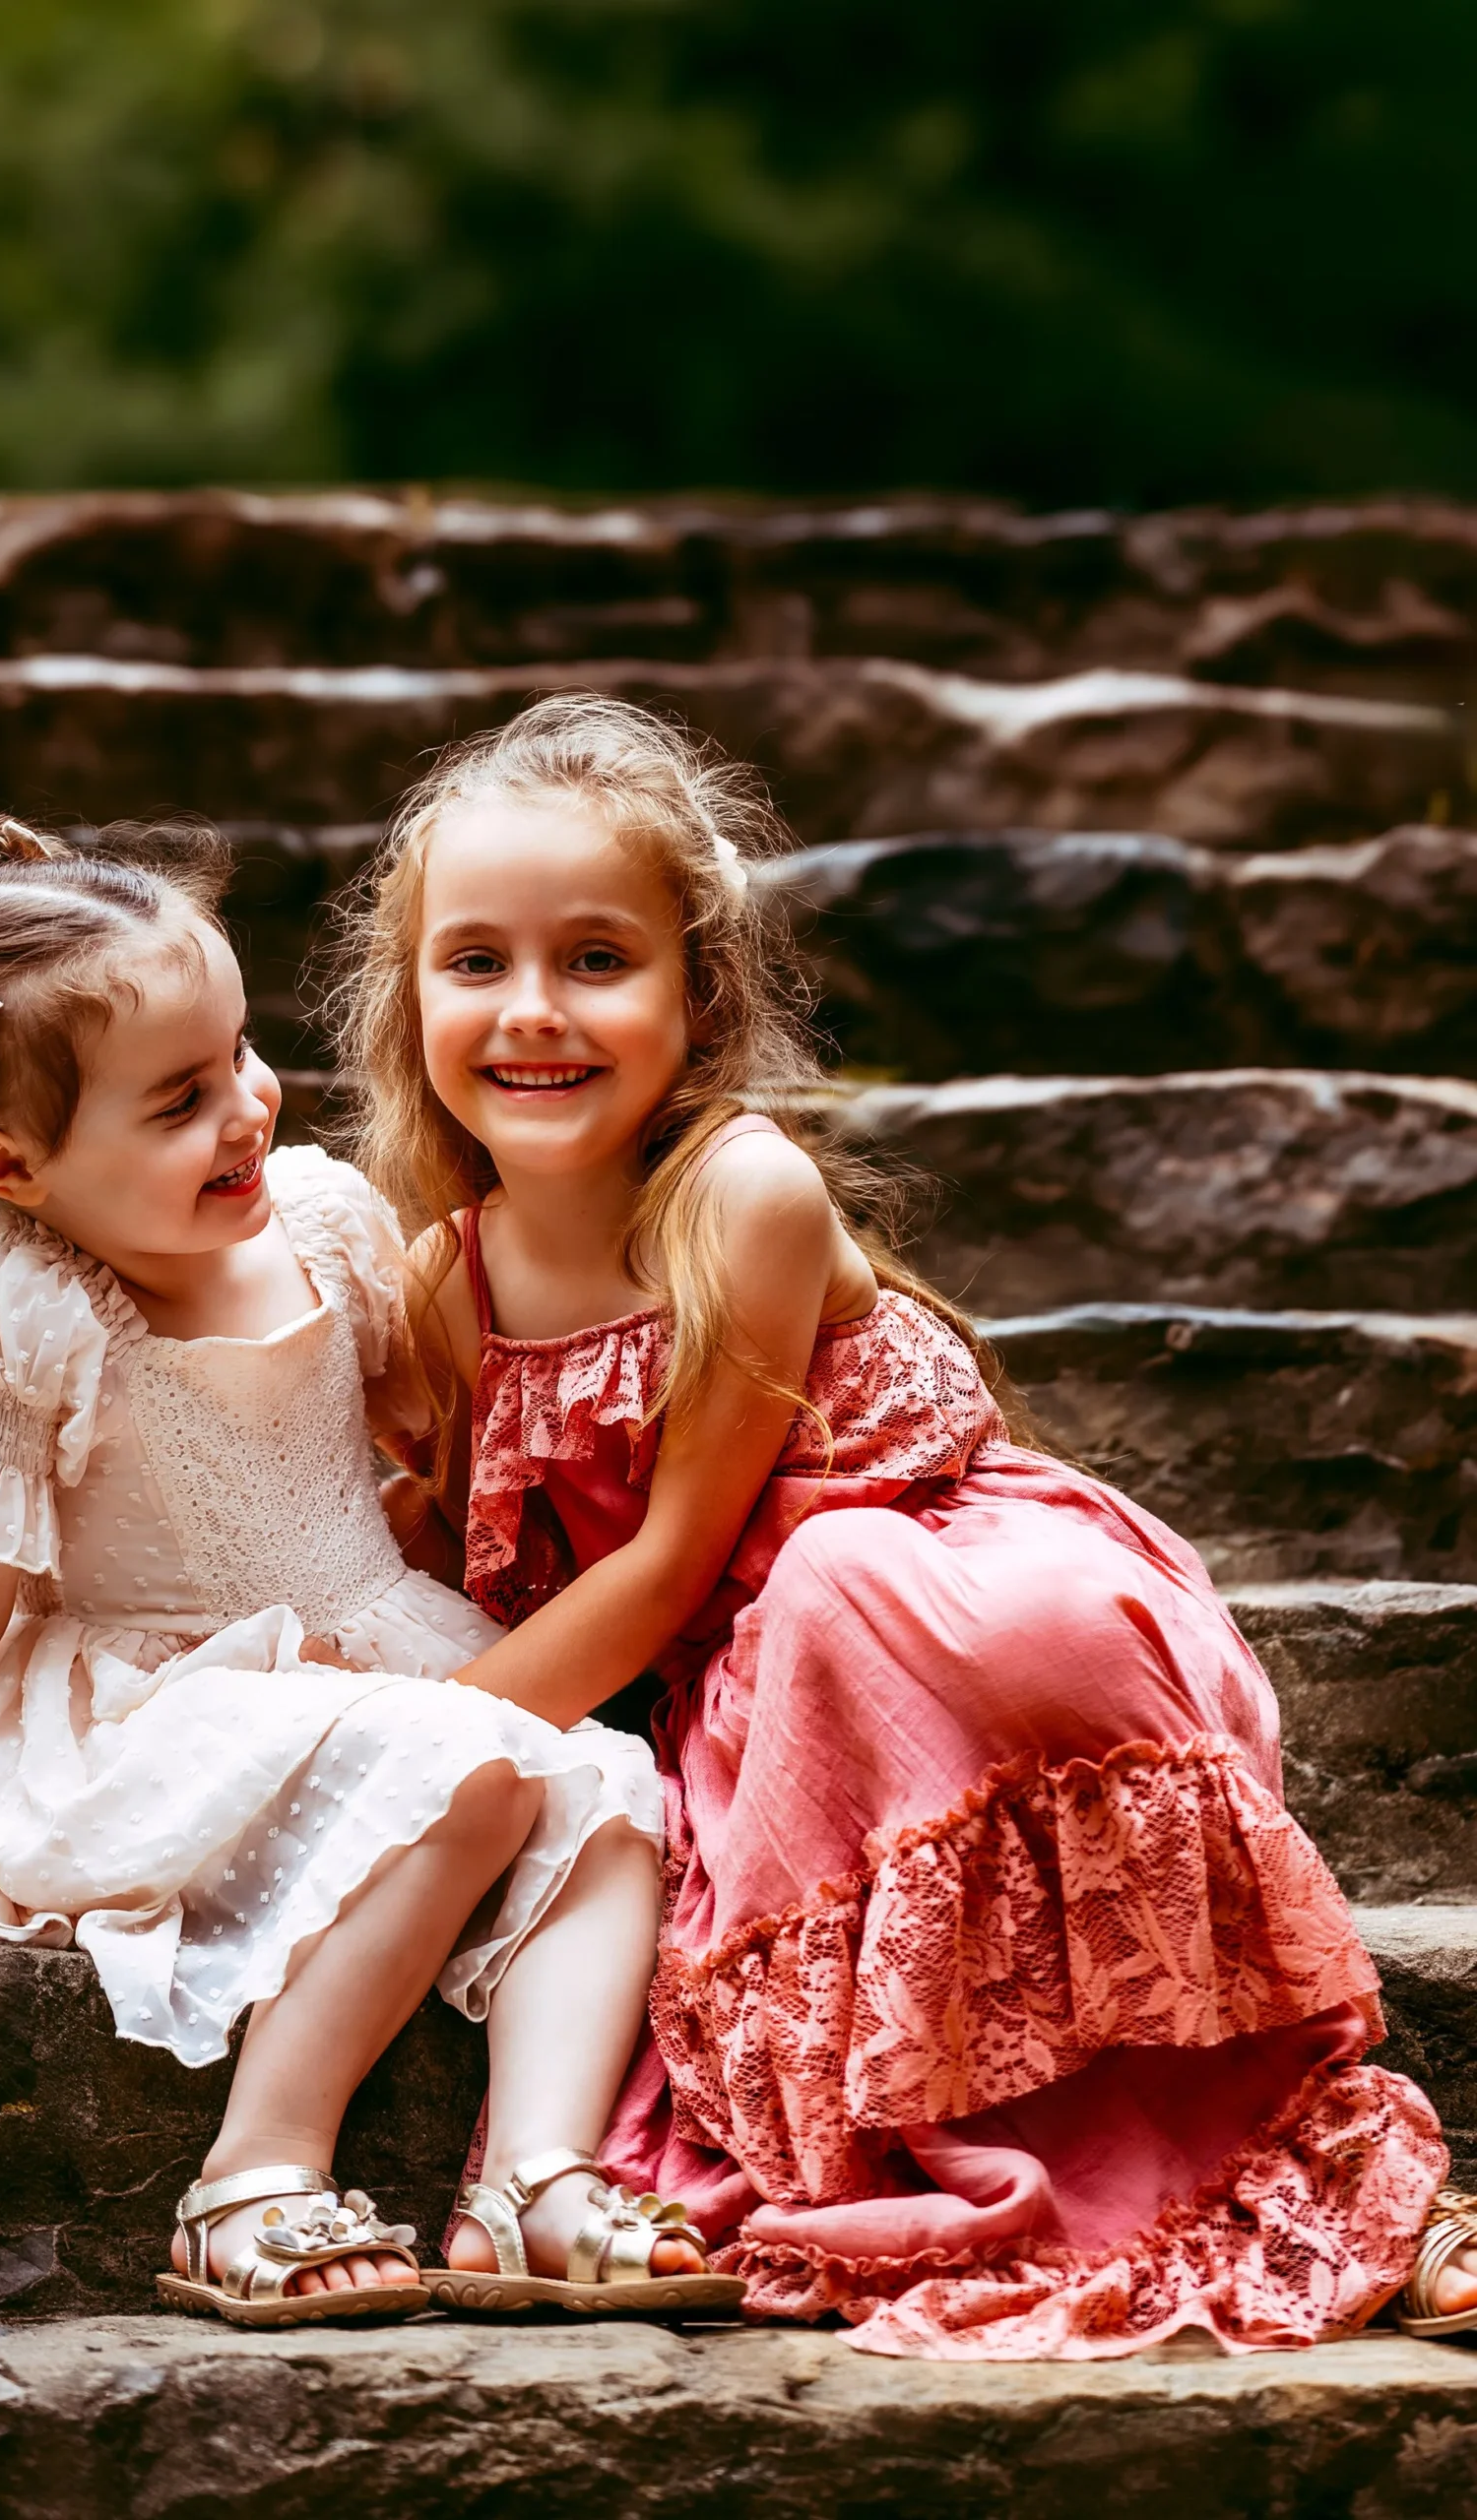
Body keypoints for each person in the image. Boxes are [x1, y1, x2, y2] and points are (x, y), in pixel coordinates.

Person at [332, 690, 1474, 2356]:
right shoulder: (441, 1280)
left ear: (696, 992)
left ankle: (1311, 2169)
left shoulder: (740, 1194)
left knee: (841, 1582)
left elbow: (661, 1569)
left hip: (943, 1588)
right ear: (410, 993)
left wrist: (405, 1754)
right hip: (747, 1684)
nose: (534, 1013)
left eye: (597, 959)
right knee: (757, 1662)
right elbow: (445, 1569)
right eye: (477, 962)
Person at [0, 813, 738, 2328]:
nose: (245, 1112)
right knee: (476, 1775)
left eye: (239, 1058)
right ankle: (254, 2175)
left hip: (370, 1654)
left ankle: (533, 2178)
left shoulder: (335, 1225)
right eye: (177, 1101)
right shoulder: (27, 1329)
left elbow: (412, 1467)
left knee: (611, 1799)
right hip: (157, 1714)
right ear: (12, 1162)